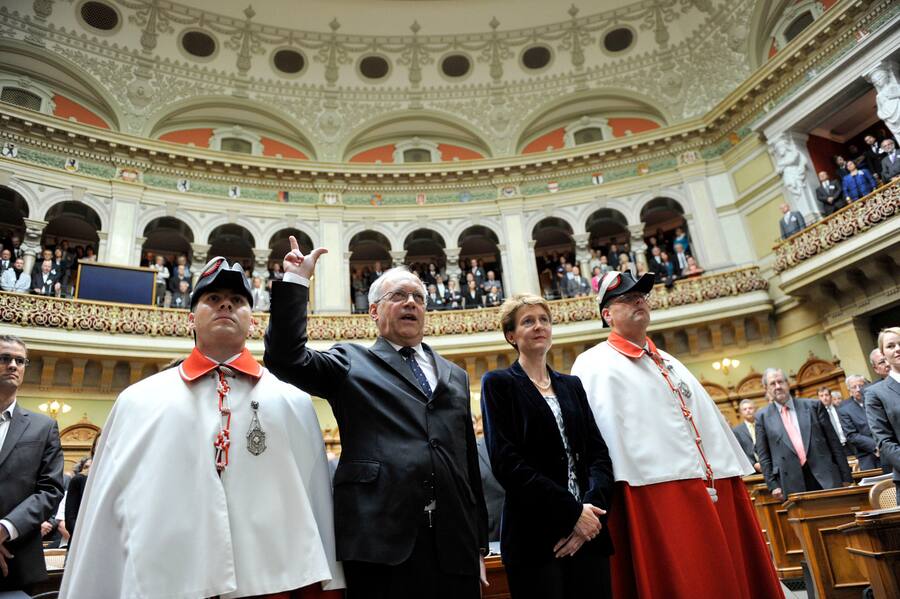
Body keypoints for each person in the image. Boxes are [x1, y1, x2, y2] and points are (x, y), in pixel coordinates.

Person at [60, 257, 344, 598]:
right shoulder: (139, 401)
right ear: (190, 318)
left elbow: (316, 505)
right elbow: (104, 516)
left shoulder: (293, 403)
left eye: (238, 301)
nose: (226, 304)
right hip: (167, 582)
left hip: (272, 584)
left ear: (252, 322)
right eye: (212, 298)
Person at [264, 237, 489, 599]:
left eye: (418, 297)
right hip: (381, 544)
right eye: (399, 296)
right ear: (373, 312)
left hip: (453, 546)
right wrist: (296, 283)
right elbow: (285, 359)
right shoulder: (351, 362)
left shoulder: (455, 375)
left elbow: (467, 466)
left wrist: (478, 544)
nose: (411, 303)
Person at [572, 271, 782, 599]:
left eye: (641, 296)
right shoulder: (594, 364)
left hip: (708, 486)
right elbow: (595, 442)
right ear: (606, 314)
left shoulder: (670, 360)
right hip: (652, 492)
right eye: (627, 299)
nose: (638, 301)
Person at [481, 294, 613, 599]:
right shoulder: (498, 384)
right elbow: (507, 462)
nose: (538, 326)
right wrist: (572, 514)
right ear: (511, 336)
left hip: (590, 532)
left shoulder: (572, 385)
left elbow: (598, 455)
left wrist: (588, 516)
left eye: (544, 320)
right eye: (528, 321)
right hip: (535, 538)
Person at [0, 335, 65, 593]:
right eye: (5, 358)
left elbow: (50, 490)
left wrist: (3, 530)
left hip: (15, 564)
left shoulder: (43, 426)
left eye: (20, 360)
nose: (13, 365)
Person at [754, 368, 852, 500]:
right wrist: (773, 485)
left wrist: (846, 476)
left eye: (780, 382)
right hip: (791, 482)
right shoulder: (762, 417)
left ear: (787, 383)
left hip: (826, 476)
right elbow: (764, 456)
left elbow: (834, 443)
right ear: (766, 388)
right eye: (772, 384)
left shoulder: (813, 406)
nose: (778, 387)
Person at [866, 327, 900, 495]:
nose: (897, 349)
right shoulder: (876, 393)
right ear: (883, 354)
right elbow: (884, 441)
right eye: (891, 346)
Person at [839, 374, 880, 470]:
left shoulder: (876, 400)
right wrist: (875, 446)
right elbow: (851, 435)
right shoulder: (844, 409)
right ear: (849, 391)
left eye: (861, 386)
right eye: (854, 387)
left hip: (889, 449)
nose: (858, 389)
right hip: (867, 456)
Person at [817, 386, 850, 456]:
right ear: (818, 398)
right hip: (833, 449)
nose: (824, 398)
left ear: (830, 396)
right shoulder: (817, 414)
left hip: (849, 443)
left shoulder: (840, 409)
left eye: (826, 395)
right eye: (821, 396)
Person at [732, 399, 760, 472]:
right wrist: (753, 464)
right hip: (751, 469)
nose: (748, 410)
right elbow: (739, 451)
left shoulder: (763, 425)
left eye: (750, 408)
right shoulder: (737, 431)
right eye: (745, 409)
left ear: (755, 410)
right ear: (741, 413)